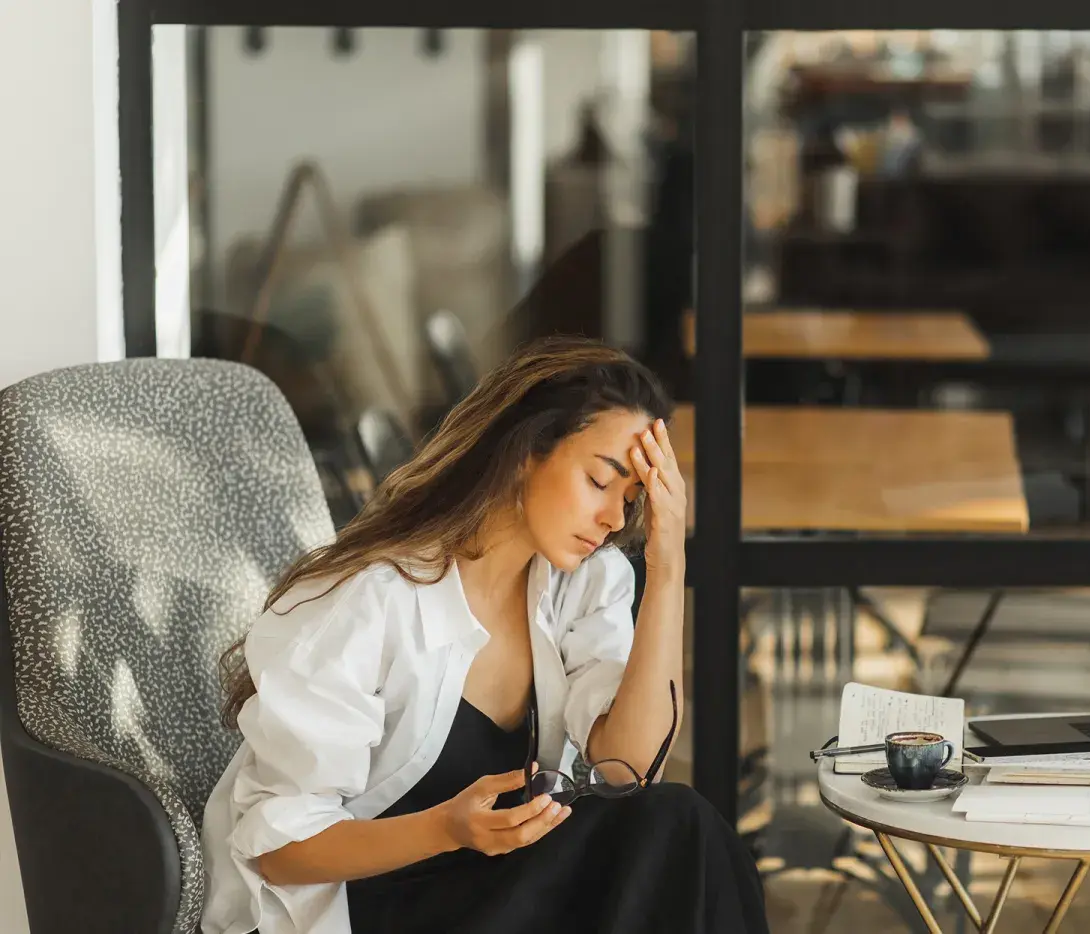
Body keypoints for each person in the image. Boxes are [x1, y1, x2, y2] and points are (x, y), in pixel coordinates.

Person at [199, 337, 769, 934]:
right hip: (370, 910)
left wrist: (669, 561)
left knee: (670, 823)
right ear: (525, 453)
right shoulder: (371, 600)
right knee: (670, 832)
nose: (614, 519)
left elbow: (631, 766)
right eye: (600, 480)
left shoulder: (580, 584)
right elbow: (278, 851)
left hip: (500, 893)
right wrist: (445, 829)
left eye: (631, 500)